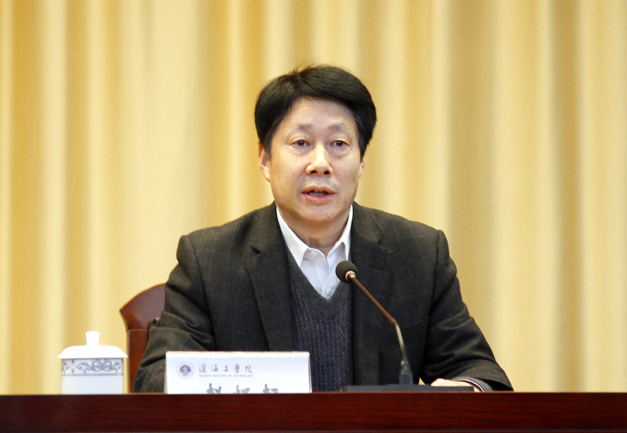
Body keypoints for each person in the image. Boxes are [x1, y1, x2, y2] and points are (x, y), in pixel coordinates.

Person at [134, 65, 512, 392]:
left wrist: (465, 390)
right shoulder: (210, 261)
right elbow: (157, 379)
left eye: (338, 143)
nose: (320, 163)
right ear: (265, 159)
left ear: (361, 162)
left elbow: (481, 373)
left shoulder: (418, 254)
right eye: (301, 143)